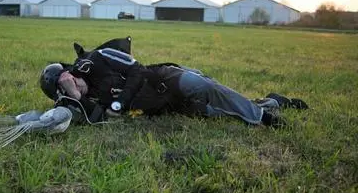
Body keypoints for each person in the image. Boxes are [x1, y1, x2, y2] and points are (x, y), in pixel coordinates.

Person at [40, 37, 308, 128]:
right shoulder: (86, 101)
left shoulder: (98, 58)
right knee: (226, 112)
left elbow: (137, 70)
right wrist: (78, 97)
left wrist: (120, 102)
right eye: (64, 90)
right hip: (166, 106)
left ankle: (263, 117)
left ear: (70, 72)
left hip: (167, 79)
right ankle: (274, 101)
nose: (71, 85)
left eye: (69, 81)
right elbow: (97, 119)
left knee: (210, 90)